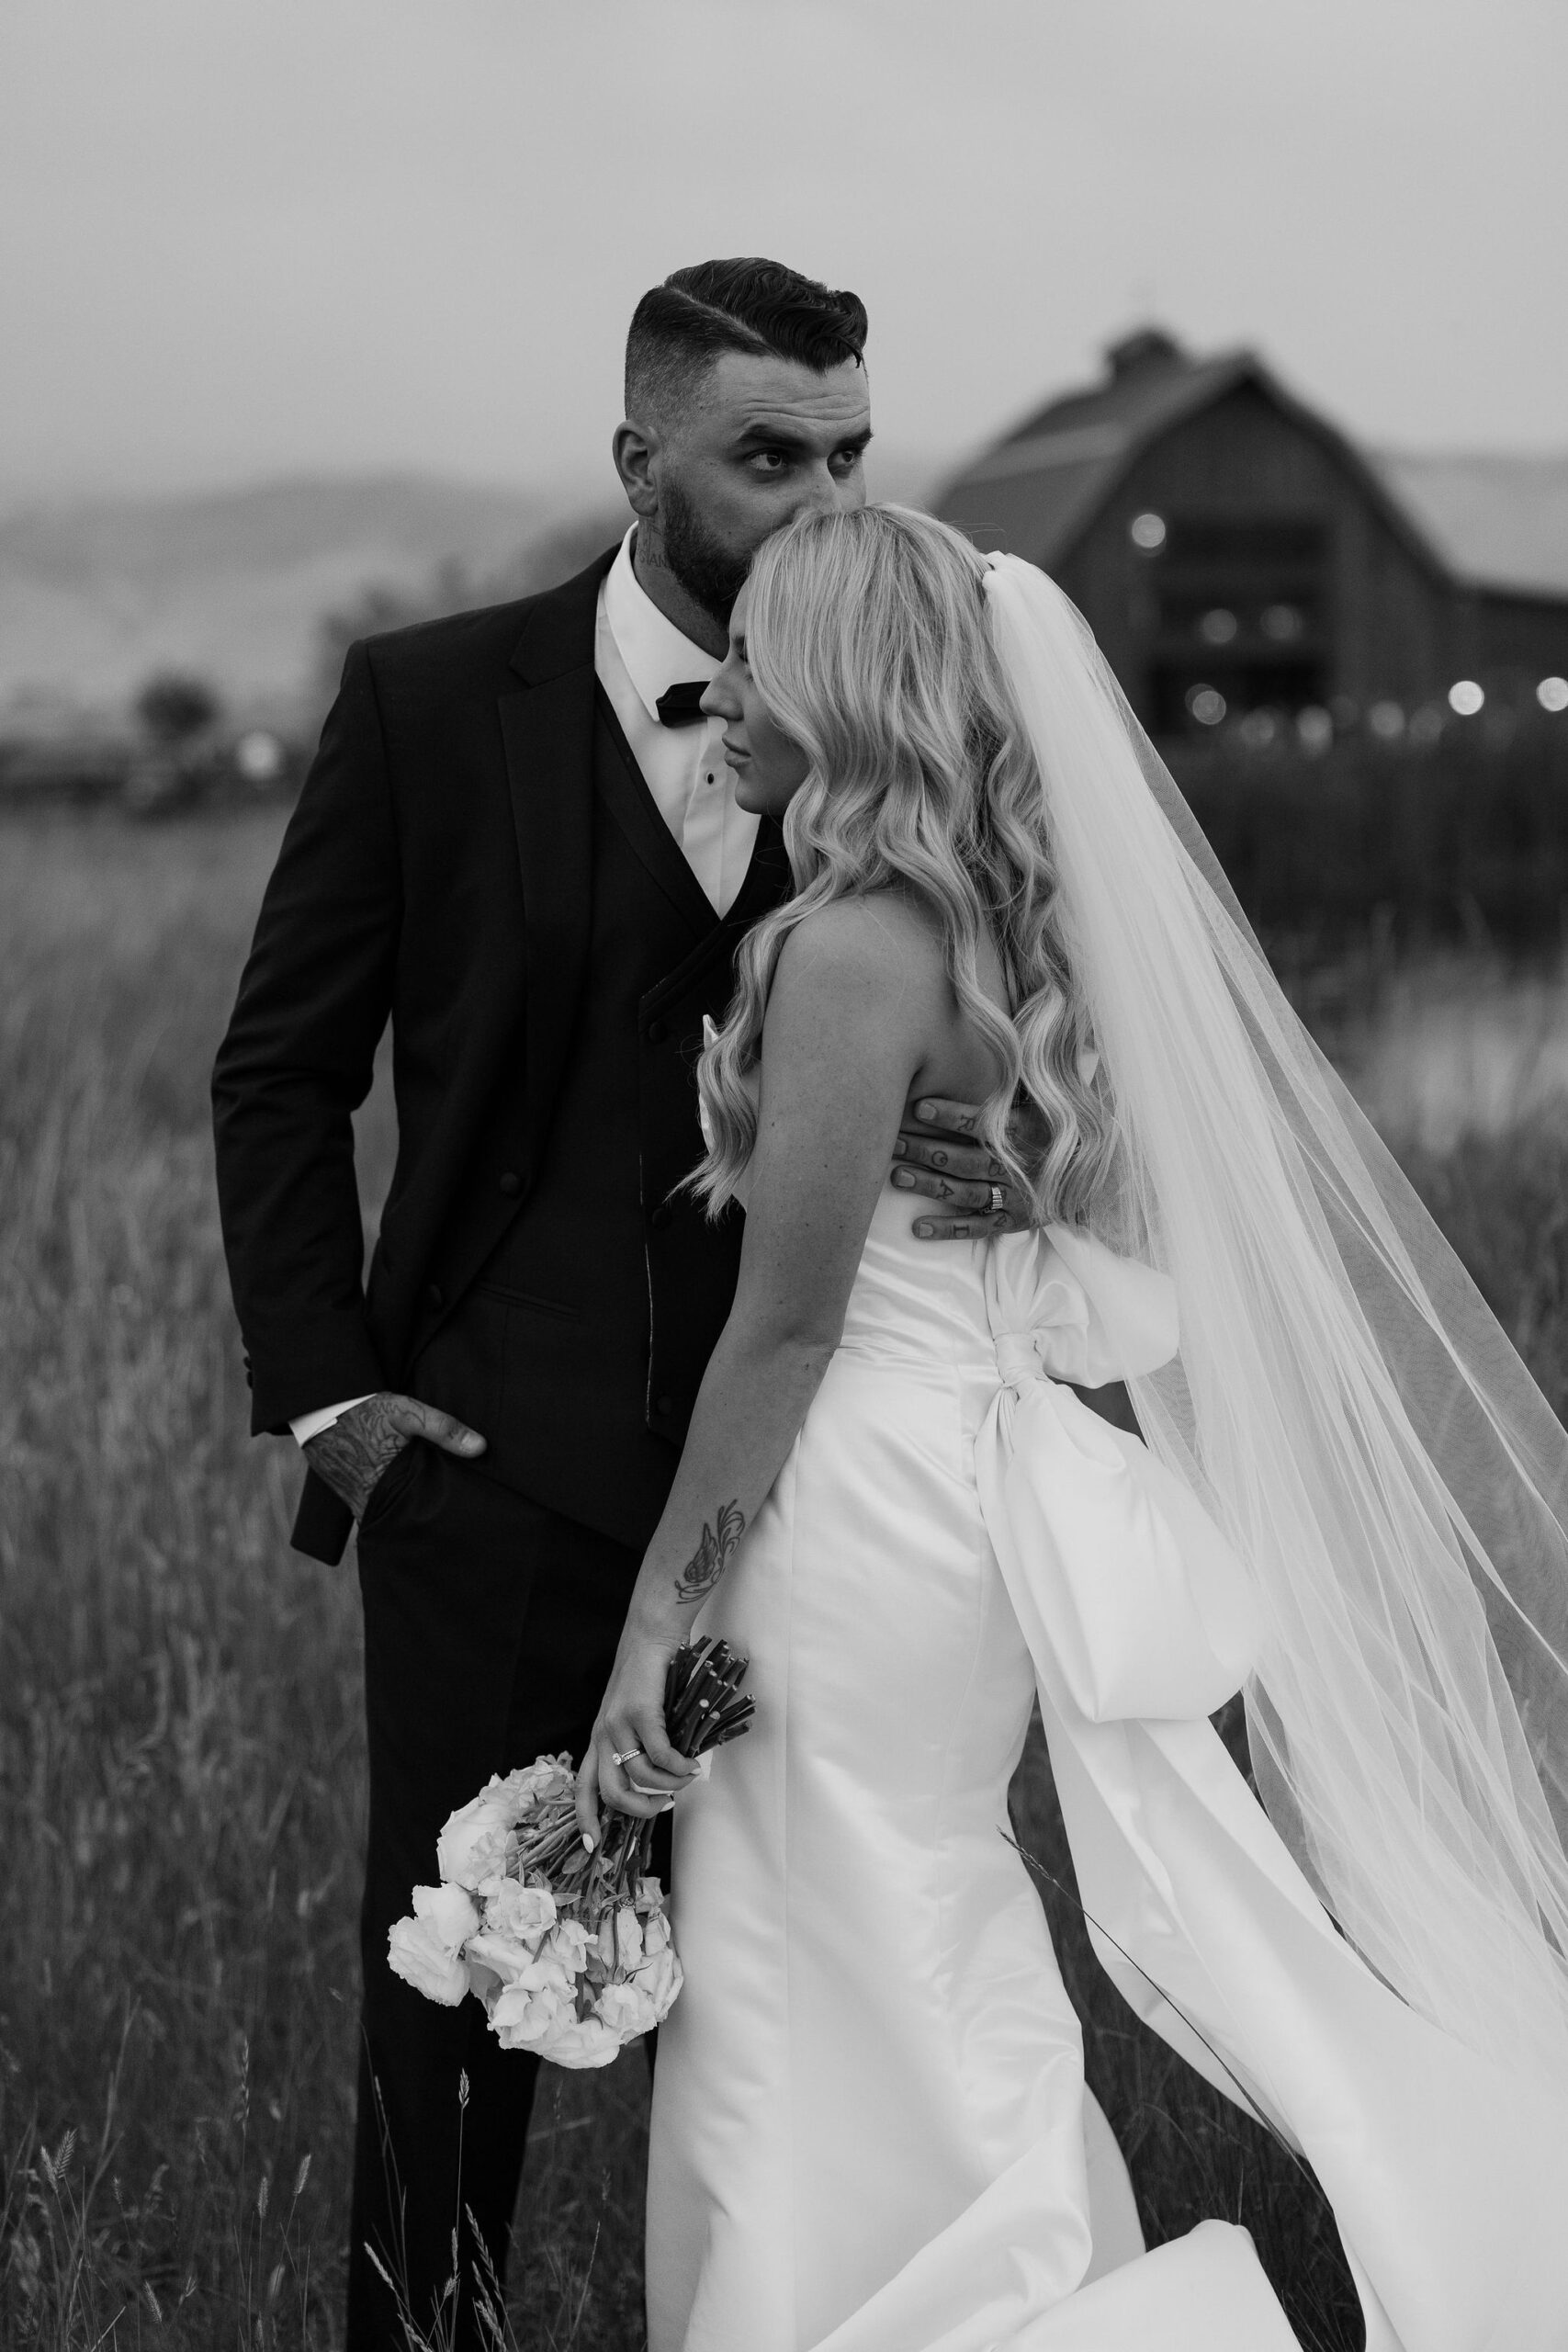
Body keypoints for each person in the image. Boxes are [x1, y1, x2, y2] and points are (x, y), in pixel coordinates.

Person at [577, 503, 1568, 2350]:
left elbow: (782, 1326)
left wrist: (656, 1627)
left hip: (854, 1495)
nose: (715, 691)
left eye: (756, 653)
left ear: (839, 676)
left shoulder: (845, 946)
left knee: (811, 1918)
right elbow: (1080, 1211)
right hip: (957, 1489)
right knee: (905, 1902)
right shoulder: (986, 932)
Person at [213, 259, 1031, 2348]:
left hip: (826, 1519)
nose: (819, 492)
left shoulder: (930, 716)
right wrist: (334, 1402)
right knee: (453, 2025)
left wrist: (1012, 1155)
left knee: (792, 2009)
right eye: (769, 454)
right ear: (637, 460)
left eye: (852, 451)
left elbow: (1046, 1066)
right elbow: (278, 1069)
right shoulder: (425, 700)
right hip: (494, 1480)